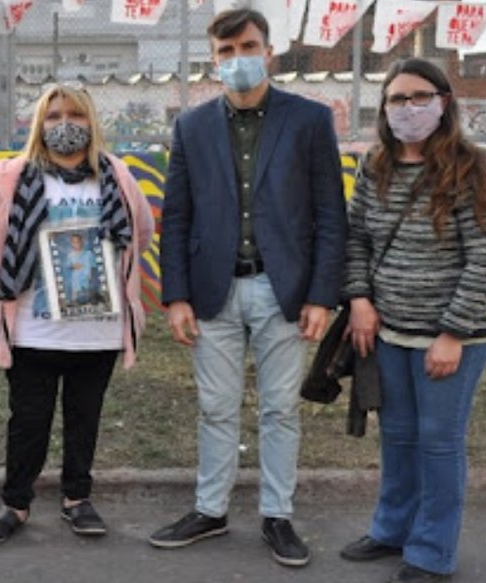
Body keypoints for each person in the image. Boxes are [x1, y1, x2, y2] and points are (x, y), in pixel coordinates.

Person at [149, 8, 347, 568]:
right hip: (214, 291)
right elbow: (178, 215)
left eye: (249, 47)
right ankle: (209, 511)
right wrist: (177, 295)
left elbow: (331, 212)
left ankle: (277, 516)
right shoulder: (191, 126)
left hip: (283, 291)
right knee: (215, 408)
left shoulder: (309, 121)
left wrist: (319, 296)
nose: (239, 60)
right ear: (213, 59)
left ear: (269, 51)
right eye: (227, 52)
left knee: (281, 409)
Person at [338, 58, 486, 583]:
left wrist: (452, 334)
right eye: (396, 99)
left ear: (443, 102)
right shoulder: (375, 165)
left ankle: (432, 551)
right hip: (389, 331)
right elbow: (358, 236)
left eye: (419, 97)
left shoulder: (472, 168)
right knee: (399, 435)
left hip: (450, 339)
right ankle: (392, 529)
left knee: (438, 440)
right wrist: (360, 299)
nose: (407, 109)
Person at [0, 84, 154, 545]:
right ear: (38, 125)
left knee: (84, 417)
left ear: (92, 123)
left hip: (98, 330)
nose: (64, 125)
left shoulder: (118, 177)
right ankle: (15, 502)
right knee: (28, 421)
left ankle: (77, 498)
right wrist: (20, 269)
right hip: (33, 328)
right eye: (53, 117)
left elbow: (141, 233)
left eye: (75, 115)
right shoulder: (12, 178)